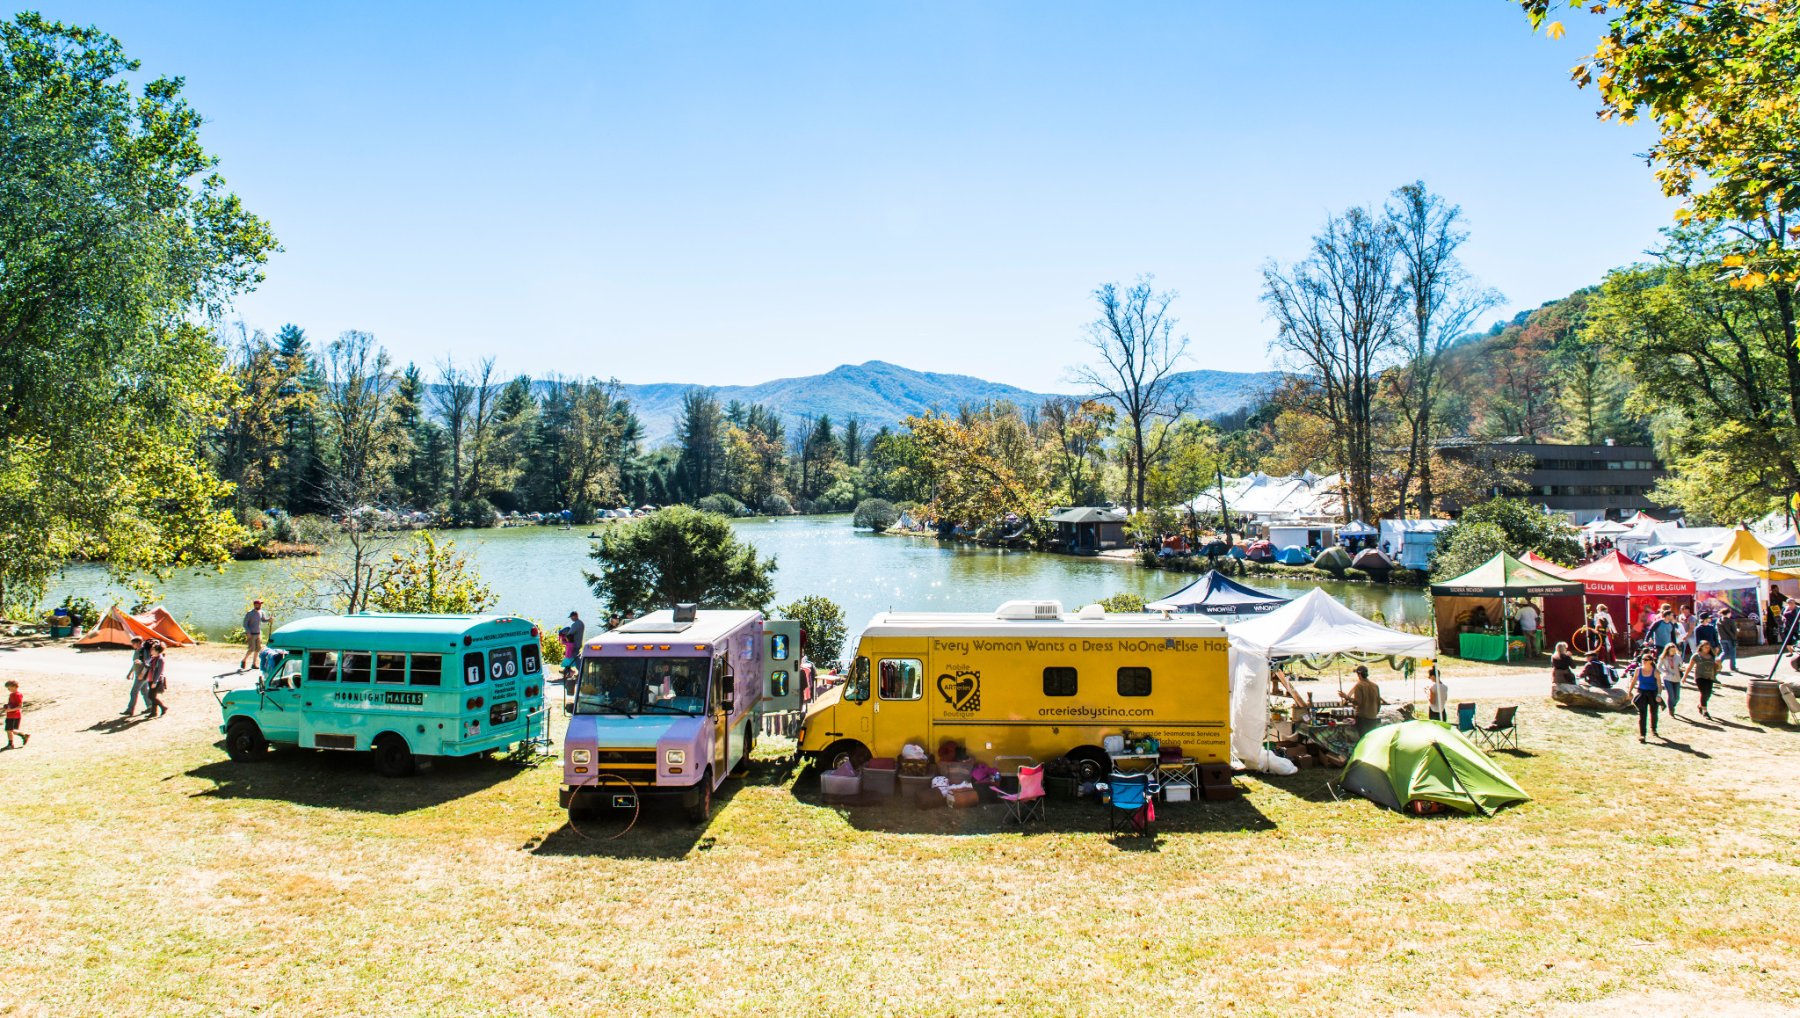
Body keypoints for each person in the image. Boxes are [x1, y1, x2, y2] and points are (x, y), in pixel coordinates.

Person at [1630, 649, 1662, 743]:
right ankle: (1642, 734)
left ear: (1651, 661)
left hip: (1653, 693)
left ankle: (1654, 729)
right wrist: (1630, 691)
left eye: (1646, 659)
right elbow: (1634, 681)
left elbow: (1660, 685)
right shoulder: (1638, 670)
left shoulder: (1655, 672)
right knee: (1642, 714)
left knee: (1654, 712)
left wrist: (1659, 695)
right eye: (1643, 659)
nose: (1644, 661)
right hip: (1642, 693)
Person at [1685, 641, 1721, 720]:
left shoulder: (1712, 656)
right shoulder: (1696, 656)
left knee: (1708, 694)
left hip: (1709, 677)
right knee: (1704, 693)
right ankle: (1705, 711)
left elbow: (1718, 669)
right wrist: (1685, 677)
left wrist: (1719, 664)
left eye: (1708, 648)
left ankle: (1701, 705)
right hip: (1699, 677)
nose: (1707, 649)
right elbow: (1689, 667)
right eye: (1705, 647)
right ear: (1701, 647)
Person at [1348, 665, 1382, 740]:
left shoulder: (1359, 685)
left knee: (1363, 739)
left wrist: (1347, 697)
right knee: (1371, 739)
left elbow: (1357, 702)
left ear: (1359, 675)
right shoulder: (1375, 686)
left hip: (1363, 718)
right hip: (1373, 717)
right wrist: (1374, 713)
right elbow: (1378, 702)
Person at [121, 636, 150, 716]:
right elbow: (135, 663)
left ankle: (130, 710)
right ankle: (150, 706)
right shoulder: (137, 651)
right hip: (139, 675)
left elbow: (148, 664)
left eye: (133, 643)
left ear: (138, 643)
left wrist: (142, 674)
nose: (132, 645)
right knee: (144, 691)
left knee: (133, 692)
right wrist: (130, 673)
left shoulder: (144, 651)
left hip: (142, 675)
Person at [240, 599, 270, 670]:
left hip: (258, 633)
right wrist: (248, 632)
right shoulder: (249, 613)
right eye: (257, 604)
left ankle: (254, 664)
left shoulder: (261, 612)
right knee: (251, 649)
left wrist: (269, 620)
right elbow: (245, 624)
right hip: (251, 634)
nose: (259, 606)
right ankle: (244, 660)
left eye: (260, 604)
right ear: (255, 605)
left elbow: (263, 620)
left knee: (258, 649)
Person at [1656, 643, 1684, 717]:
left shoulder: (1678, 657)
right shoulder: (1663, 657)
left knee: (1677, 697)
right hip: (1667, 678)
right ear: (1667, 650)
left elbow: (1681, 665)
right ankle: (1671, 709)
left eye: (1674, 650)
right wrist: (1665, 672)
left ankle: (1672, 705)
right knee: (1671, 695)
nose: (1673, 652)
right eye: (1671, 650)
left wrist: (1682, 668)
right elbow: (1658, 667)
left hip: (1677, 678)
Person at [143, 642, 168, 718]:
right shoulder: (153, 658)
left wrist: (155, 682)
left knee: (151, 696)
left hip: (155, 681)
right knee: (153, 696)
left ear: (157, 650)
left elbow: (159, 672)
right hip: (150, 679)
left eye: (152, 649)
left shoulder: (160, 660)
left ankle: (163, 707)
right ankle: (154, 712)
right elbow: (149, 666)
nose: (151, 650)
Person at [4, 679, 28, 748]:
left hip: (15, 715)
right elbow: (11, 704)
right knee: (8, 730)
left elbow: (20, 706)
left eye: (9, 687)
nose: (8, 689)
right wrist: (6, 707)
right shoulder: (11, 695)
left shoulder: (18, 695)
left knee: (13, 730)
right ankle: (10, 744)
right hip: (9, 715)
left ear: (14, 686)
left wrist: (10, 710)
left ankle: (24, 735)